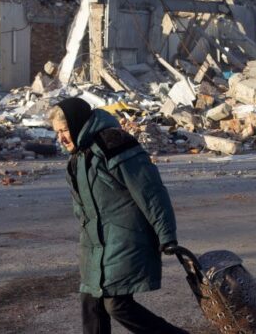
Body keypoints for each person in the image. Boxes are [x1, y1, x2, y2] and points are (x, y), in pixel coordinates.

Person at [49, 97, 188, 334]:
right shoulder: (78, 157)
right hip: (96, 245)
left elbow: (150, 191)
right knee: (91, 304)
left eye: (64, 130)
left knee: (116, 304)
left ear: (77, 123)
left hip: (127, 238)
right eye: (57, 133)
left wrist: (167, 235)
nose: (61, 138)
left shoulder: (113, 143)